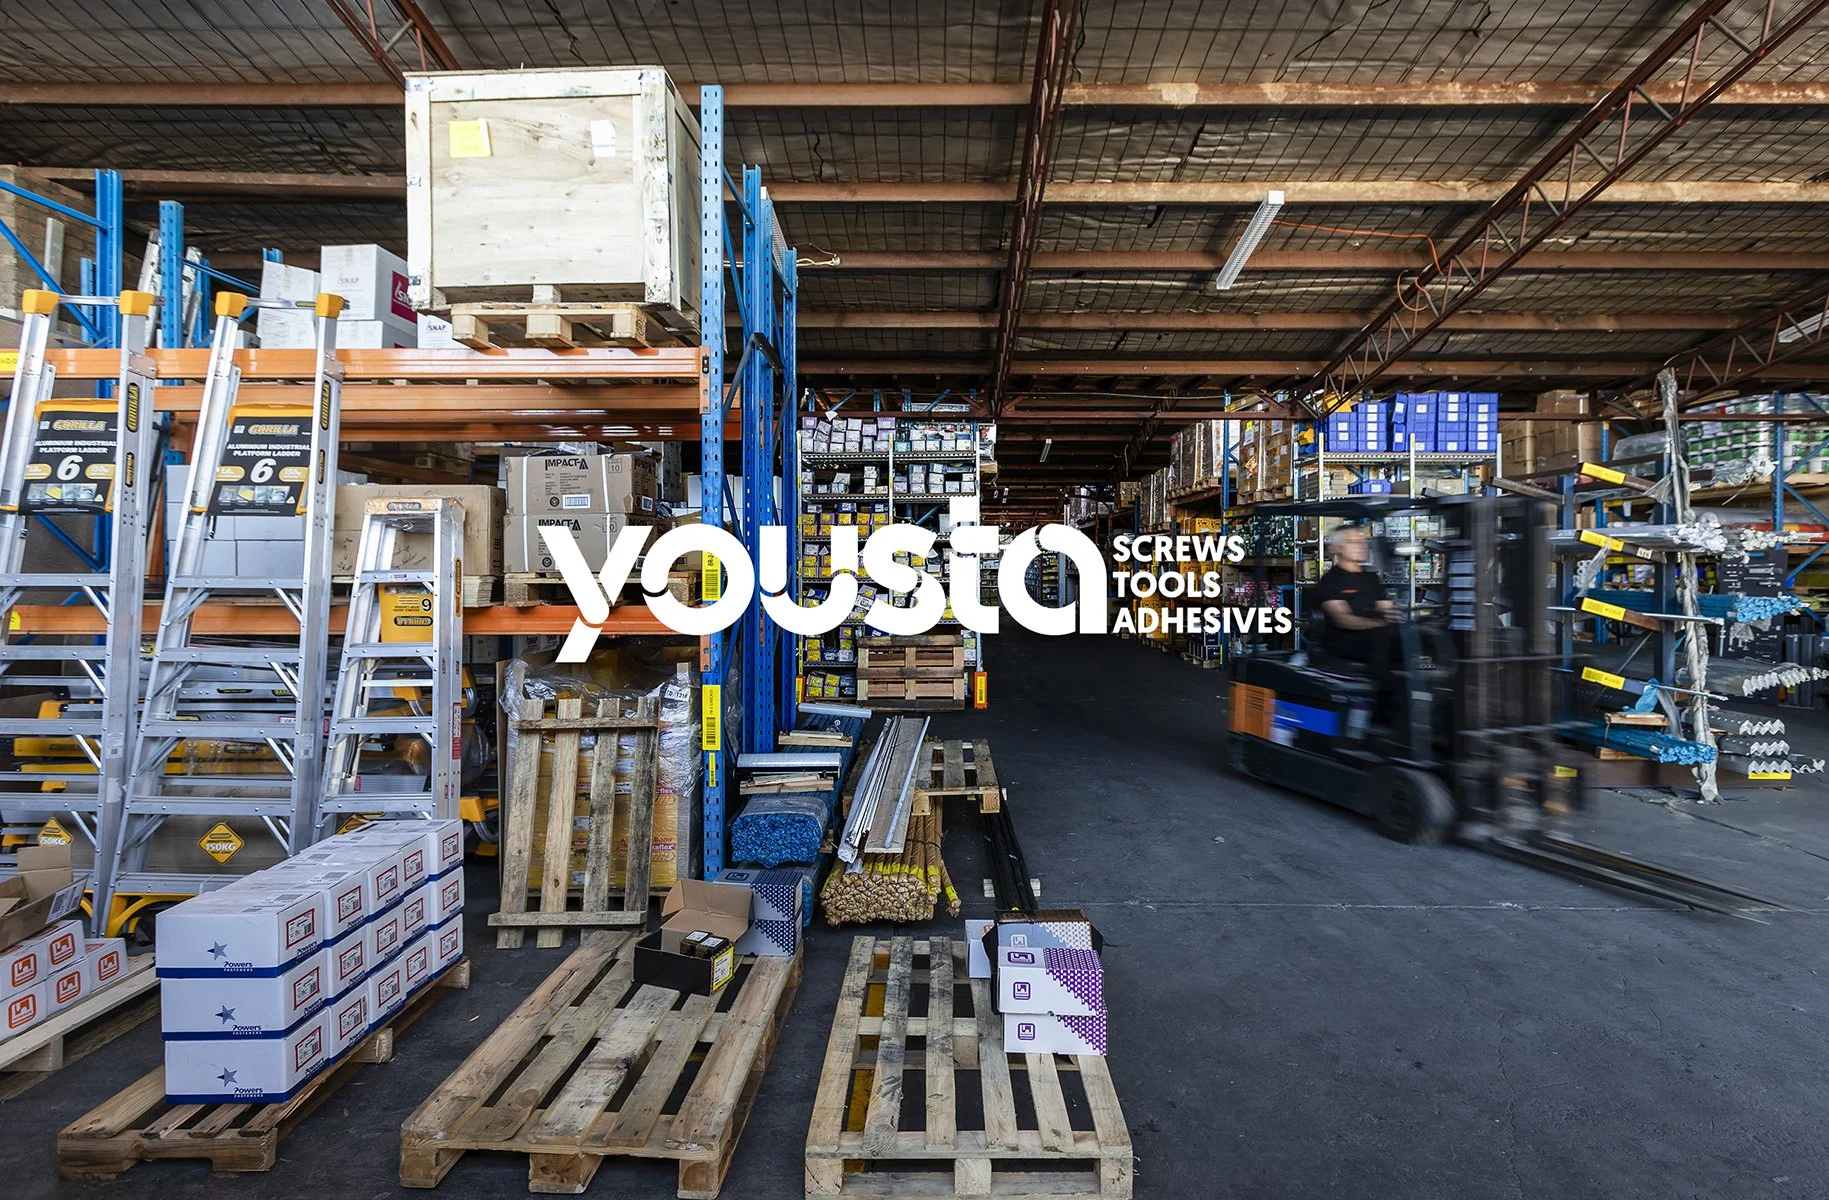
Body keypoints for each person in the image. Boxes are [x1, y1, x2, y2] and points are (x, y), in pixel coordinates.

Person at [1314, 525, 1397, 671]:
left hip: (1375, 633)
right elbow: (1343, 620)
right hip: (1345, 641)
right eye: (1352, 542)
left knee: (1421, 637)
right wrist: (1380, 624)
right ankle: (1388, 692)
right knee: (1380, 640)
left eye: (1362, 542)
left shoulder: (1371, 578)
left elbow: (1386, 609)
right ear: (1338, 548)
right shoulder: (1331, 580)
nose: (1361, 546)